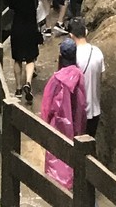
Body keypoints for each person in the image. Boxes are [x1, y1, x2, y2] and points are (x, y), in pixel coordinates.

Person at [39, 37, 86, 189]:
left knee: (55, 165)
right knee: (71, 166)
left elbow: (46, 108)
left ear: (60, 57)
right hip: (75, 127)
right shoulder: (79, 76)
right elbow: (82, 104)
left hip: (57, 128)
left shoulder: (56, 80)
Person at [4, 0, 49, 103]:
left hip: (17, 27)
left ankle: (17, 89)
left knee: (17, 59)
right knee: (30, 58)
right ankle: (28, 83)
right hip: (30, 27)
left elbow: (10, 4)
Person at [68, 17, 105, 137]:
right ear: (86, 32)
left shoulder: (72, 56)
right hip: (95, 110)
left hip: (78, 111)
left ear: (71, 35)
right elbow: (101, 77)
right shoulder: (97, 52)